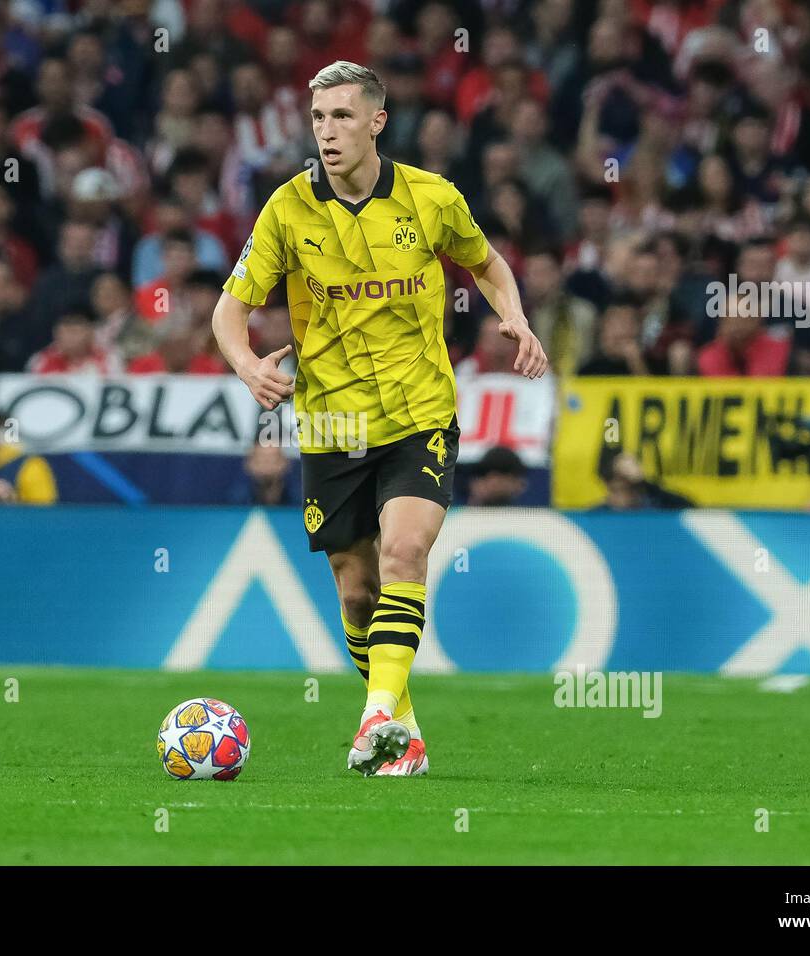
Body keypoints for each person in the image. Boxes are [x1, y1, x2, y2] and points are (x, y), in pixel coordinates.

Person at [211, 61, 547, 777]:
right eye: (318, 118)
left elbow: (486, 265)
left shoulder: (432, 199)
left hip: (418, 411)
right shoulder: (287, 209)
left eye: (340, 116)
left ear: (376, 122)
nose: (327, 131)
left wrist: (513, 316)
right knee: (358, 589)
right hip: (331, 424)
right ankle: (405, 729)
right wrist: (246, 366)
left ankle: (372, 718)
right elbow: (229, 310)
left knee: (403, 556)